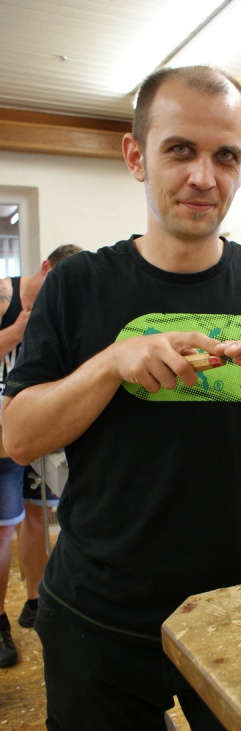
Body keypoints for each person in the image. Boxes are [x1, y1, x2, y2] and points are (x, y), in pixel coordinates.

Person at [1, 66, 241, 731]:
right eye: (180, 150)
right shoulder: (80, 286)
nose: (204, 176)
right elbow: (17, 437)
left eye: (225, 155)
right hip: (99, 613)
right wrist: (111, 363)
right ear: (136, 156)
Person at [0, 243, 83, 668]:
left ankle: (35, 599)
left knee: (39, 514)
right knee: (3, 529)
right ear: (44, 267)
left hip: (41, 423)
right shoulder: (4, 295)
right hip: (4, 427)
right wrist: (18, 330)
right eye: (57, 282)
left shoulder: (67, 302)